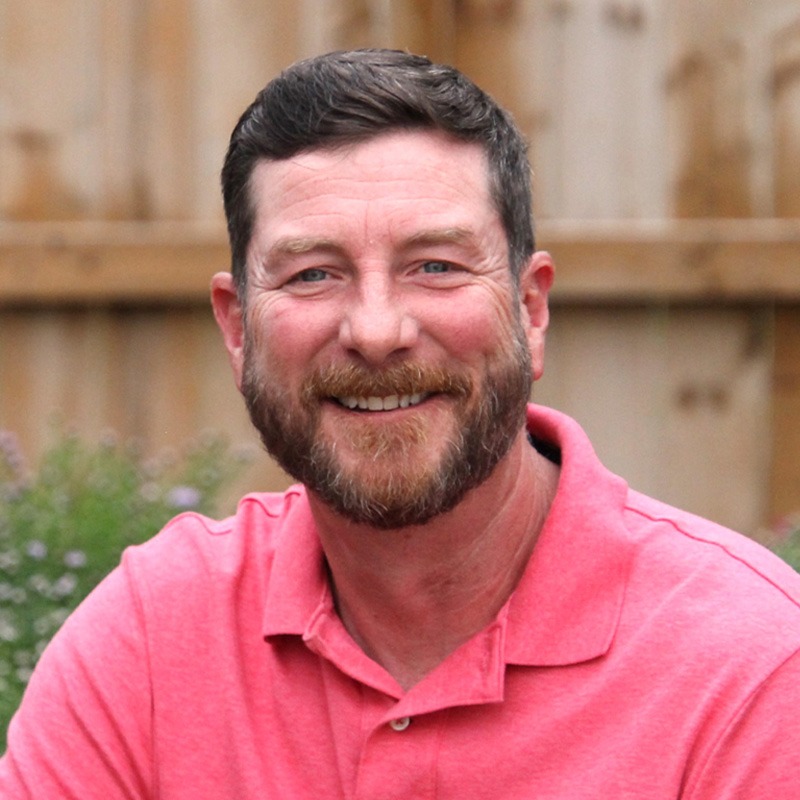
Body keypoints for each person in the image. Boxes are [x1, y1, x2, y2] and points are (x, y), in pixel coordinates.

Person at [2, 48, 799, 799]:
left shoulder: (751, 668)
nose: (377, 331)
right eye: (313, 274)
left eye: (436, 267)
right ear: (238, 328)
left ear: (530, 309)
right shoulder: (152, 641)